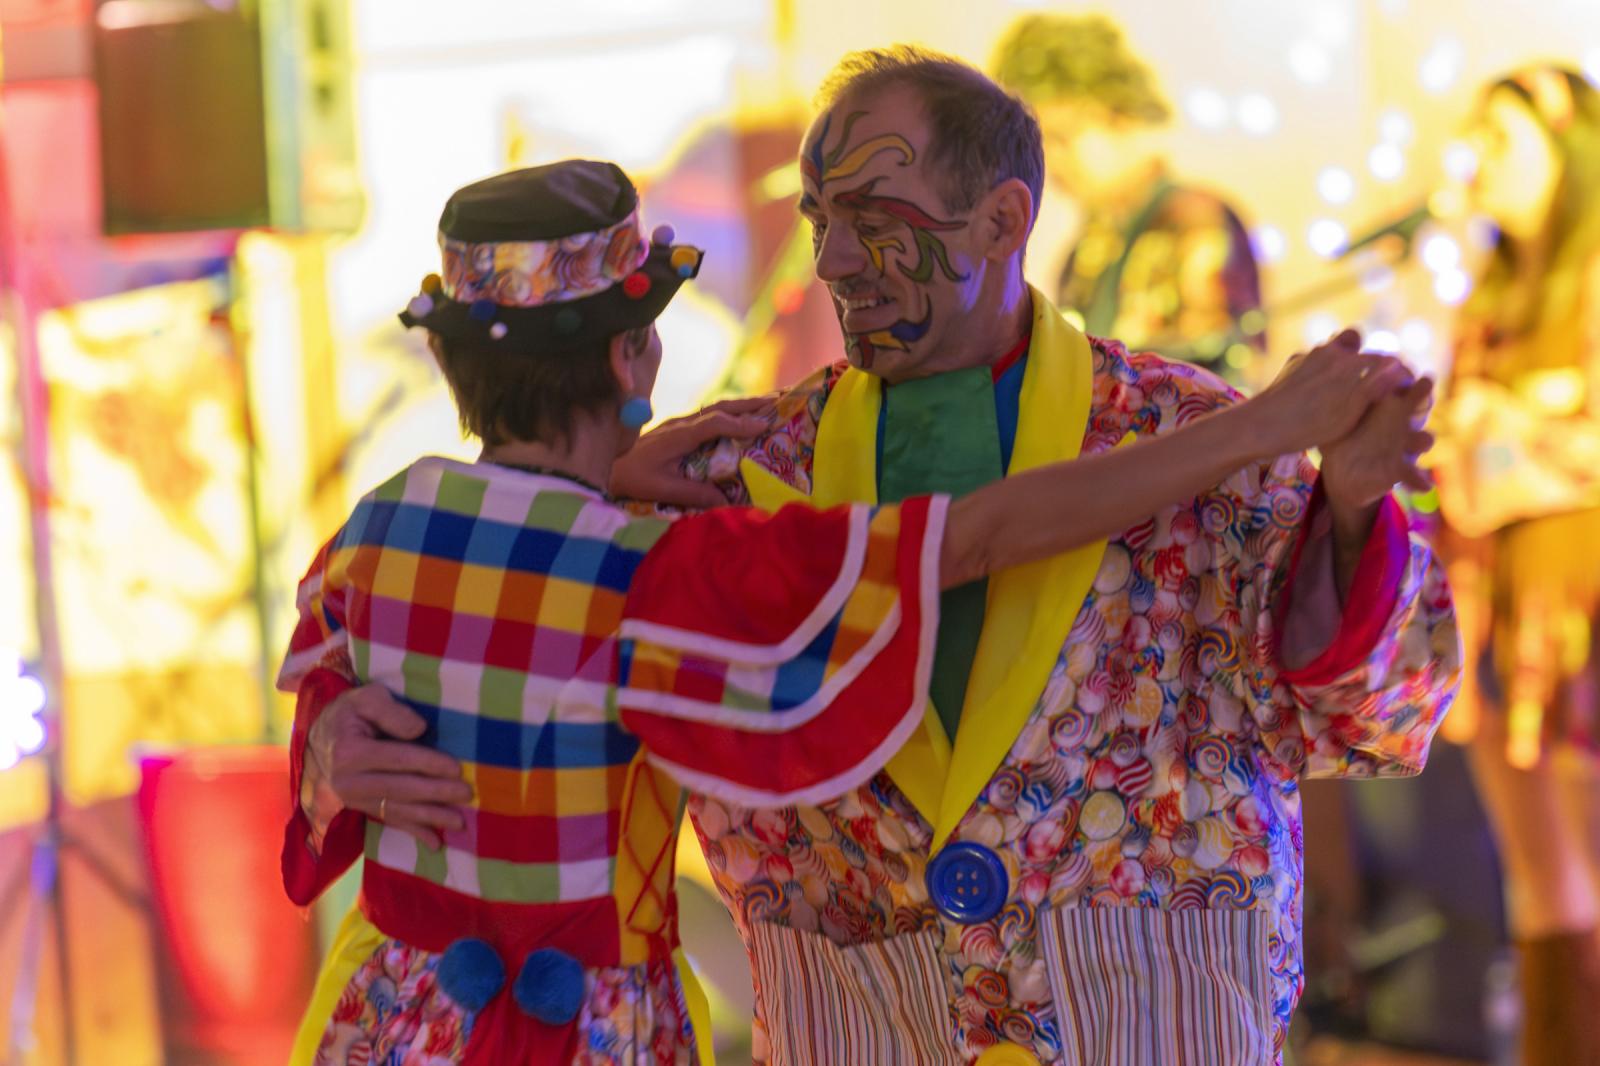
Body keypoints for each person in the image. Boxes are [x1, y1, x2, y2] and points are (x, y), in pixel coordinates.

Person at [299, 49, 1459, 1065]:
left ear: (1003, 221)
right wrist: (340, 739)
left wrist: (1350, 513)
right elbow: (532, 627)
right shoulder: (748, 463)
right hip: (860, 1020)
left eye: (870, 212)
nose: (836, 258)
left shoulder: (1181, 432)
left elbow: (1368, 717)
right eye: (817, 217)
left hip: (1144, 1010)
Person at [1433, 65, 1600, 1066]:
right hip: (1496, 610)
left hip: (1581, 608)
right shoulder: (1486, 295)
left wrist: (1510, 431)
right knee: (1541, 880)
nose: (1479, 162)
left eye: (1501, 139)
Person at [993, 14, 1267, 388]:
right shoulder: (1086, 249)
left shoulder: (1192, 220)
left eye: (1062, 137)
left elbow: (1213, 383)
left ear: (1117, 113)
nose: (1050, 162)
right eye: (1040, 145)